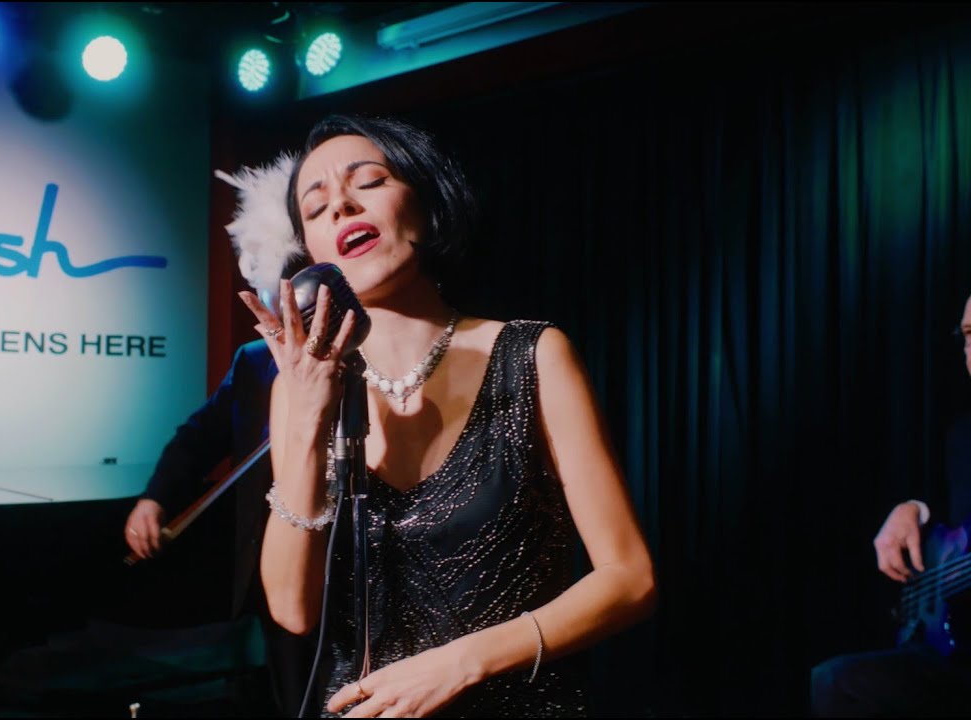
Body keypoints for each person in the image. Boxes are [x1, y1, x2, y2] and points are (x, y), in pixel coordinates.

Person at [237, 114, 657, 717]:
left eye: (369, 182)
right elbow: (292, 610)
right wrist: (305, 418)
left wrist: (459, 664)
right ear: (310, 254)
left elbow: (630, 579)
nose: (342, 206)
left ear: (428, 204)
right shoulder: (300, 390)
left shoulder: (532, 355)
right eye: (316, 206)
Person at [123, 337, 315, 717]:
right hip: (265, 562)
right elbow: (201, 435)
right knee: (289, 694)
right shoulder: (255, 358)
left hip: (345, 562)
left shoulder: (364, 355)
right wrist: (156, 497)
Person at [810, 293, 971, 717]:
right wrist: (912, 508)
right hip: (956, 651)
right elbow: (953, 522)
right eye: (969, 335)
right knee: (835, 681)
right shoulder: (961, 436)